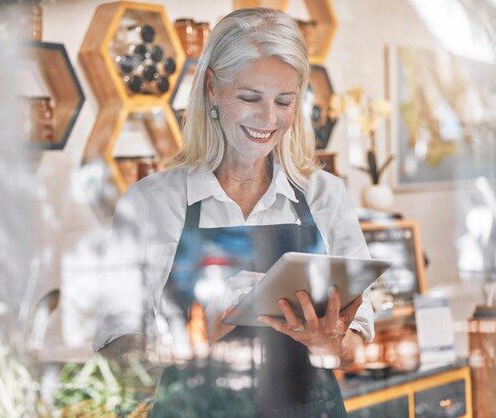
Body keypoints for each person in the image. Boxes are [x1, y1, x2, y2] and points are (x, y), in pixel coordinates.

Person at [94, 7, 374, 417]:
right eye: (250, 98)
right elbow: (117, 351)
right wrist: (187, 346)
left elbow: (356, 344)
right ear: (212, 88)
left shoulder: (325, 196)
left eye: (284, 101)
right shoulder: (150, 203)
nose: (269, 119)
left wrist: (334, 345)